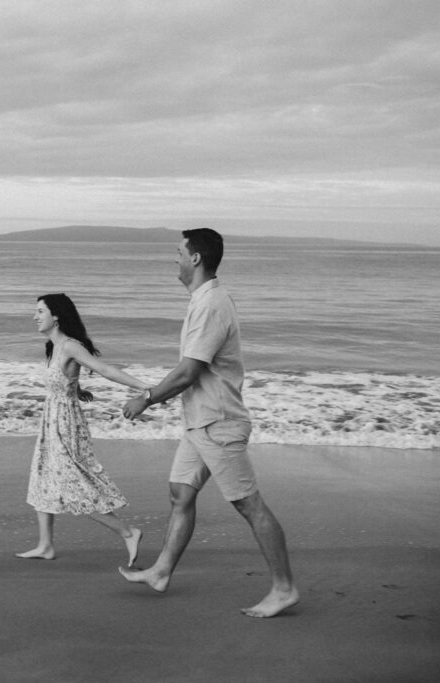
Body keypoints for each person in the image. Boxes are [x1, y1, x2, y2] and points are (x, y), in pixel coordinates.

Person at [119, 228, 299, 618]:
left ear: (196, 258)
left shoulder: (211, 304)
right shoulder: (204, 300)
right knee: (179, 494)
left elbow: (188, 372)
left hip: (217, 424)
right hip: (199, 423)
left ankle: (284, 589)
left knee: (250, 506)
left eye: (179, 253)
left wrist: (146, 398)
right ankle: (161, 572)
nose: (176, 259)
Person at [17, 293, 150, 566]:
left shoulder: (69, 346)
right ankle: (45, 545)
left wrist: (145, 389)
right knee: (43, 477)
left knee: (75, 489)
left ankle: (128, 533)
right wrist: (77, 389)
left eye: (40, 311)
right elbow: (66, 377)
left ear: (56, 316)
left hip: (65, 426)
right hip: (51, 421)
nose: (35, 316)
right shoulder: (53, 347)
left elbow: (104, 369)